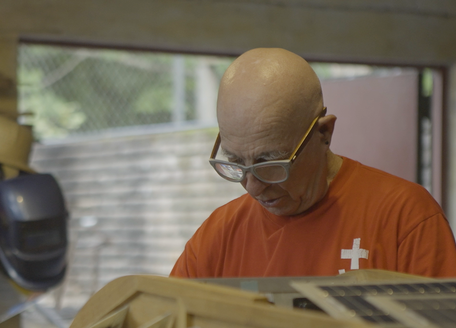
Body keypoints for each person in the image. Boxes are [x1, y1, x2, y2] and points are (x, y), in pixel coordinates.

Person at [170, 48, 456, 279]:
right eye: (235, 162)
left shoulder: (405, 219)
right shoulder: (217, 237)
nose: (253, 187)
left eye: (270, 162)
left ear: (324, 133)